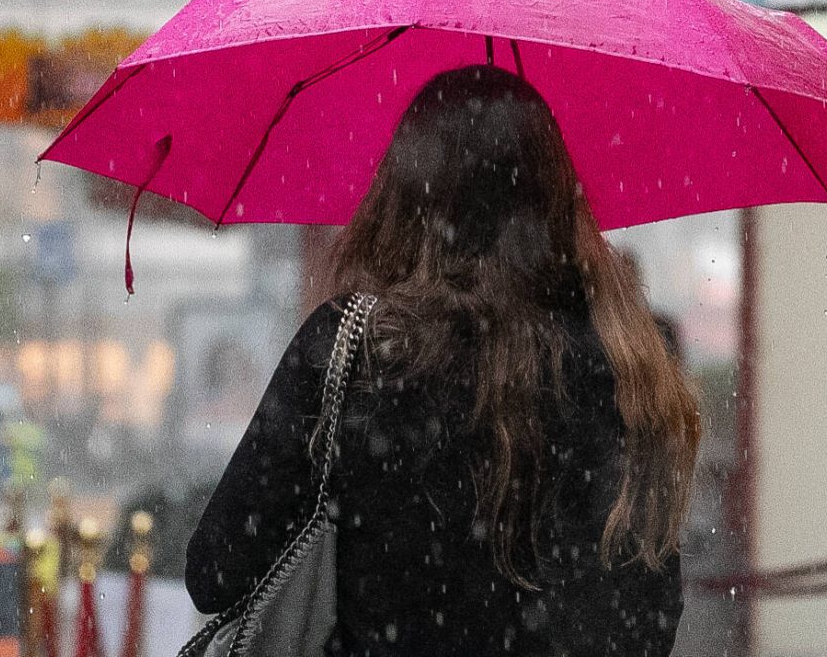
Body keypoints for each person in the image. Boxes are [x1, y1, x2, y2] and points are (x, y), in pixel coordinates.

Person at [185, 65, 702, 656]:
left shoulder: (352, 349)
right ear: (556, 194)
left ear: (401, 196)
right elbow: (650, 616)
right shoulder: (618, 359)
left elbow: (216, 570)